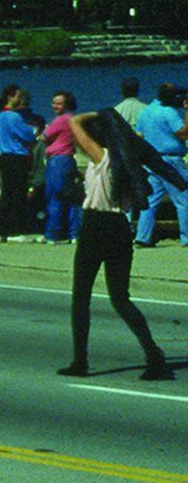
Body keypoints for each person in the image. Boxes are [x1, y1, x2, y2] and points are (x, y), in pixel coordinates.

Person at [62, 110, 174, 380]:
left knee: (81, 297)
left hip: (95, 226)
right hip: (119, 228)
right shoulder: (127, 160)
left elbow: (73, 122)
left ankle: (80, 360)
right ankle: (153, 353)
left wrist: (102, 113)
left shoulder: (103, 157)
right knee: (120, 298)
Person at [131, 84, 188, 248]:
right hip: (170, 160)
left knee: (151, 200)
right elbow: (184, 134)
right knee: (183, 198)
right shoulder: (169, 112)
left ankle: (142, 236)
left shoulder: (146, 111)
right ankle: (186, 238)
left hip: (151, 159)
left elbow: (139, 135)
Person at [0, 89, 38, 241]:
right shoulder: (14, 117)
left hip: (4, 157)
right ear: (10, 97)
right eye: (17, 96)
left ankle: (3, 229)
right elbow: (28, 135)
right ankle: (15, 230)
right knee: (18, 194)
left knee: (6, 193)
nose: (20, 99)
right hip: (16, 157)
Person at [41, 91, 82, 244]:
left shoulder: (61, 120)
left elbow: (44, 136)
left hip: (58, 159)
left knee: (55, 197)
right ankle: (74, 233)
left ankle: (53, 233)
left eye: (59, 103)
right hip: (68, 159)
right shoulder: (73, 120)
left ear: (67, 104)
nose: (55, 106)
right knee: (70, 198)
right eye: (53, 103)